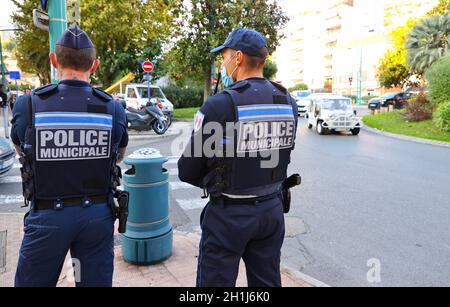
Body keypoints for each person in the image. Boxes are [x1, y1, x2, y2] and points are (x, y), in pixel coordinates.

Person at [178, 28, 298, 287]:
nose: (223, 64)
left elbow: (187, 169)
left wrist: (218, 178)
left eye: (224, 57)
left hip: (229, 217)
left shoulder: (220, 105)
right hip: (272, 211)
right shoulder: (288, 101)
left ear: (238, 58)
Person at [11, 22, 128, 287]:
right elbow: (118, 155)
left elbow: (21, 150)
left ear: (54, 60)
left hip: (47, 217)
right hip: (97, 217)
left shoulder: (28, 104)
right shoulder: (113, 108)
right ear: (94, 65)